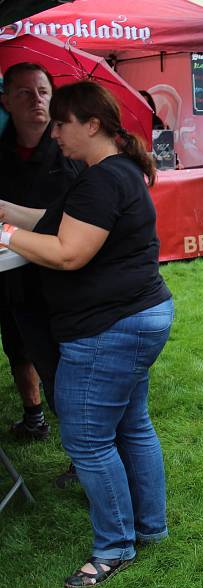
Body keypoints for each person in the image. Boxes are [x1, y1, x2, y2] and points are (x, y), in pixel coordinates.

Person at [0, 80, 173, 588]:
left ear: (91, 124)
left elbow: (69, 252)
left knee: (87, 439)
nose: (54, 133)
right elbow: (58, 223)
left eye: (61, 123)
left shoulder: (103, 180)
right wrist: (8, 211)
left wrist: (6, 236)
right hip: (136, 318)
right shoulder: (111, 173)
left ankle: (115, 546)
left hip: (108, 329)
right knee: (131, 426)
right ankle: (150, 529)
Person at [0, 62, 82, 441]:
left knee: (64, 360)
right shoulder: (2, 150)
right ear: (6, 102)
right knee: (17, 344)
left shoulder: (70, 147)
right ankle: (34, 417)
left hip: (63, 273)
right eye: (25, 93)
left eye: (43, 91)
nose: (37, 100)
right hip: (11, 272)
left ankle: (81, 443)